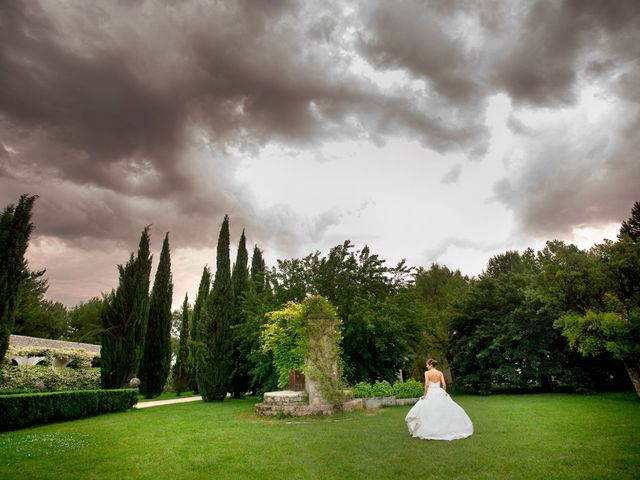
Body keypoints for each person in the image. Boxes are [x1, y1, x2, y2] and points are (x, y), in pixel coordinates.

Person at [405, 358, 473, 440]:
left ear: (430, 364)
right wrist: (443, 393)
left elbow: (426, 384)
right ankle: (443, 428)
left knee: (429, 411)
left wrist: (425, 395)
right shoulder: (440, 373)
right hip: (439, 391)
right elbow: (444, 385)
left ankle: (430, 429)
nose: (426, 366)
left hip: (430, 392)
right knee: (442, 411)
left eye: (427, 364)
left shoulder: (427, 373)